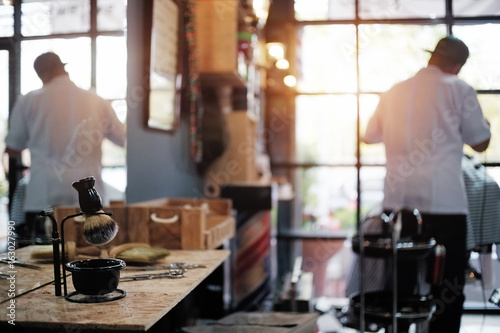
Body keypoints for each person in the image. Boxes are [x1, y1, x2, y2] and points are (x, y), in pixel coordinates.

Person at [363, 36, 491, 332]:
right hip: (443, 202)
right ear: (457, 66)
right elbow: (480, 142)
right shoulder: (460, 89)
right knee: (448, 282)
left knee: (402, 278)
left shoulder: (394, 91)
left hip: (400, 203)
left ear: (432, 57)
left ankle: (400, 328)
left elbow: (369, 135)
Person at [4, 51, 126, 243]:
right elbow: (123, 139)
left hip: (45, 194)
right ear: (63, 69)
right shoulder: (96, 100)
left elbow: (13, 147)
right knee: (90, 251)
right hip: (89, 197)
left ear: (41, 75)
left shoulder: (29, 101)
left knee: (46, 257)